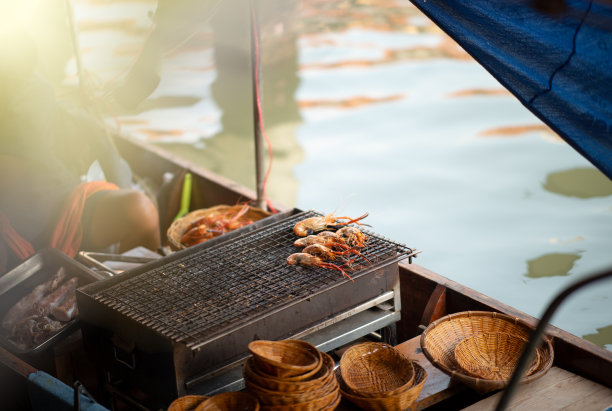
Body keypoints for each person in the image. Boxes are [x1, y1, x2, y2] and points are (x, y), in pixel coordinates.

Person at [0, 28, 161, 275]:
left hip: (59, 205)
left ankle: (134, 302)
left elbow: (12, 170)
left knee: (140, 211)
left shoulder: (32, 87)